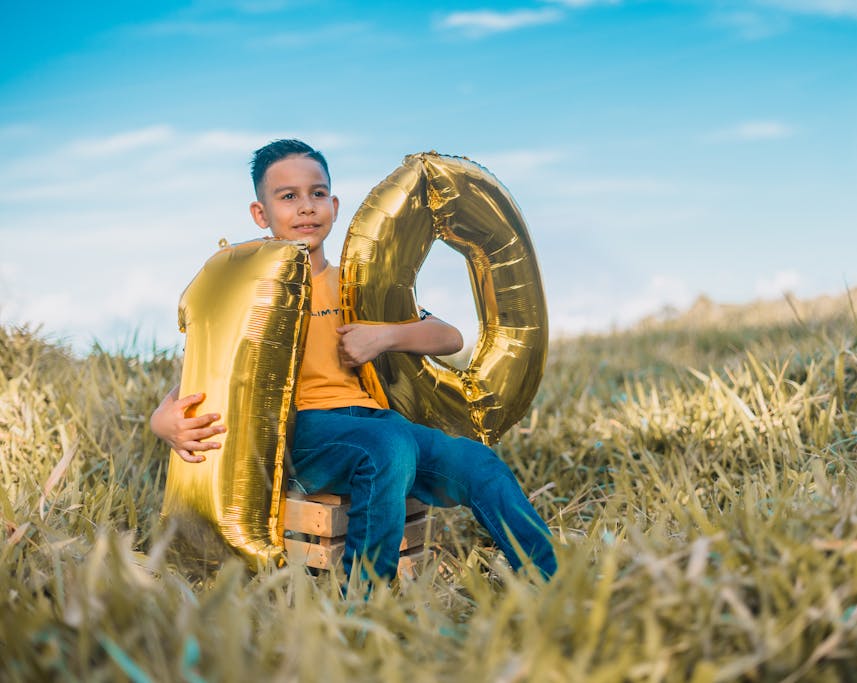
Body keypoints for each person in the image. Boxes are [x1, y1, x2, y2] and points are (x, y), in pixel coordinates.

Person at [150, 139, 557, 583]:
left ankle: (551, 581)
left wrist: (384, 336)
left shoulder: (353, 284)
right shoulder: (251, 292)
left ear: (335, 204)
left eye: (317, 193)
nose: (306, 207)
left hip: (377, 423)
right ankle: (367, 602)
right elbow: (206, 370)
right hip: (301, 434)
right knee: (387, 447)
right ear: (260, 214)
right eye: (288, 197)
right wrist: (161, 420)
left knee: (479, 465)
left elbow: (448, 337)